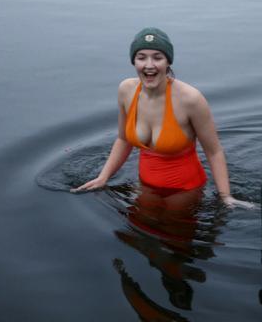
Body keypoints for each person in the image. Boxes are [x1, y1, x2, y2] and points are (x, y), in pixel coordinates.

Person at [74, 27, 252, 208]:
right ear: (134, 61)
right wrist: (103, 177)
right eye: (141, 57)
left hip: (185, 190)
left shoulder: (190, 99)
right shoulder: (126, 91)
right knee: (138, 230)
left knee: (173, 232)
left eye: (157, 57)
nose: (149, 65)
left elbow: (214, 152)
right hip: (146, 187)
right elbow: (123, 139)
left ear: (168, 62)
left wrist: (225, 196)